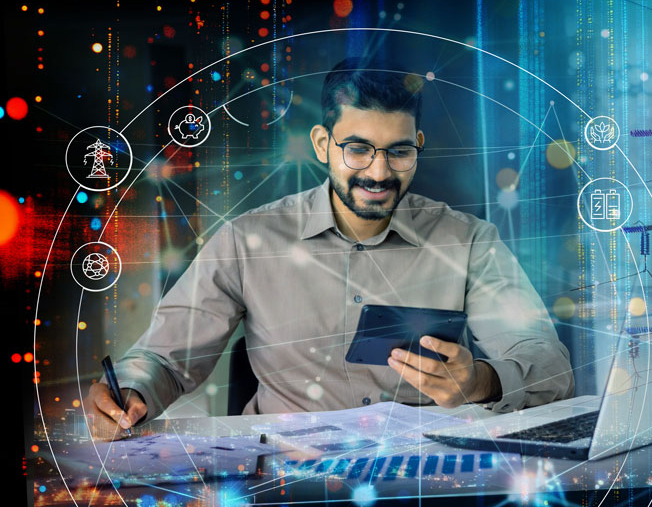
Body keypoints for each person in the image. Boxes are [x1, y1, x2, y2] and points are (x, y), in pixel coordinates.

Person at [86, 57, 574, 440]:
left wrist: (482, 382)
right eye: (358, 148)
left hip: (425, 481)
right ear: (322, 144)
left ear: (418, 144)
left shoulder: (469, 240)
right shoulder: (246, 240)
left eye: (400, 152)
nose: (379, 173)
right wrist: (130, 391)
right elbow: (166, 359)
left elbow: (546, 362)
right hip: (280, 480)